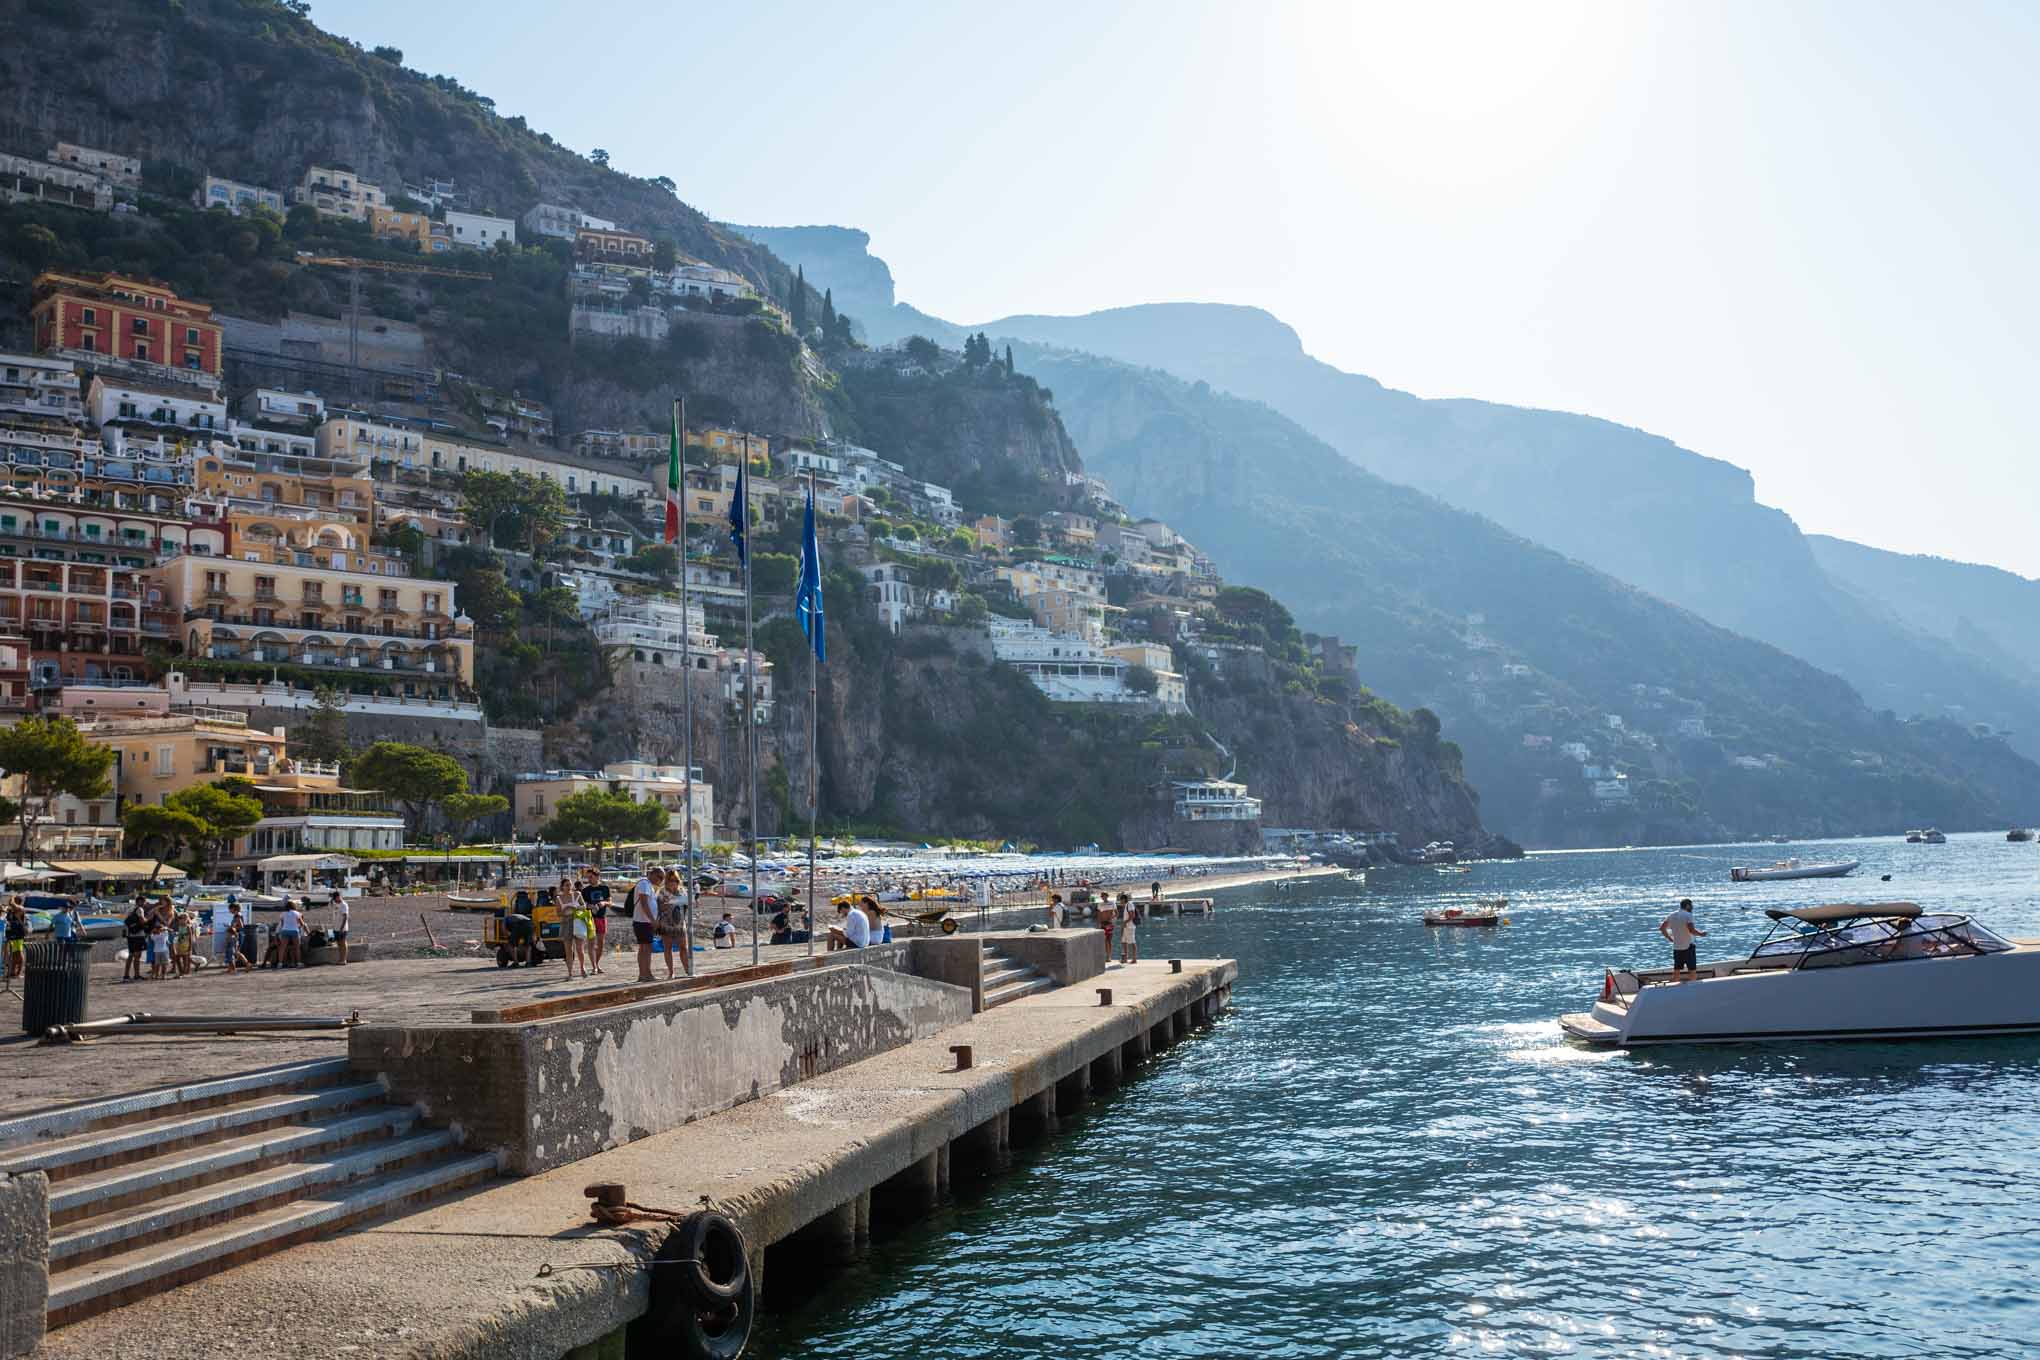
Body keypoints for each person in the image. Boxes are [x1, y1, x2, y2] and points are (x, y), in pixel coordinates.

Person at [1659, 898, 1705, 981]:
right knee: (1692, 970)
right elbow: (1691, 930)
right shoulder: (1688, 915)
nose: (1692, 907)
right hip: (1688, 946)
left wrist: (1669, 938)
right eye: (1691, 906)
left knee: (1677, 971)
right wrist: (1701, 934)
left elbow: (1662, 928)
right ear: (1687, 906)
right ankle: (1693, 989)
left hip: (1677, 947)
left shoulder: (1672, 915)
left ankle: (1674, 989)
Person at [657, 872, 689, 978]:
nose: (673, 882)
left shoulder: (682, 891)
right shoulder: (662, 892)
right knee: (668, 947)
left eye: (675, 880)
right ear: (666, 881)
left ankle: (688, 970)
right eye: (670, 880)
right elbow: (659, 908)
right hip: (667, 923)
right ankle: (671, 972)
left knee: (683, 947)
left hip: (680, 923)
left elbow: (687, 906)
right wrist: (667, 905)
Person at [630, 868, 658, 982]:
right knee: (645, 948)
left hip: (643, 921)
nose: (660, 880)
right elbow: (644, 903)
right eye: (659, 876)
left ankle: (645, 973)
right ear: (652, 874)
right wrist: (652, 920)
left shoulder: (647, 884)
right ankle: (644, 974)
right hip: (643, 921)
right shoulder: (644, 884)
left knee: (645, 947)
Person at [561, 876, 592, 979]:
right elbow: (558, 913)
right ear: (562, 887)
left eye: (570, 884)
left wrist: (575, 907)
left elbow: (584, 906)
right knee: (568, 950)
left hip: (577, 921)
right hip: (566, 923)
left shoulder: (577, 894)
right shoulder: (559, 898)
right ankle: (570, 973)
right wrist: (565, 911)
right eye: (567, 885)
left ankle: (583, 968)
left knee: (579, 948)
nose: (569, 887)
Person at [581, 868, 610, 970]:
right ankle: (594, 966)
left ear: (597, 876)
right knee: (591, 942)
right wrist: (589, 905)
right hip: (590, 918)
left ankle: (596, 963)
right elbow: (582, 904)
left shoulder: (605, 888)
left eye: (591, 877)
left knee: (601, 943)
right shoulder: (585, 890)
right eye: (587, 877)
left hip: (602, 917)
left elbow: (610, 902)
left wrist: (604, 903)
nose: (588, 879)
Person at [222, 902, 251, 974]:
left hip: (237, 935)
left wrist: (232, 927)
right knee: (235, 952)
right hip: (238, 934)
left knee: (235, 952)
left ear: (233, 908)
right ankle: (231, 968)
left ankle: (247, 964)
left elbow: (241, 926)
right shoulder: (237, 915)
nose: (229, 911)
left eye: (230, 909)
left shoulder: (237, 916)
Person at [122, 901, 147, 982]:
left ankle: (126, 975)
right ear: (143, 902)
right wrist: (149, 919)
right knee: (137, 956)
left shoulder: (131, 909)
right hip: (138, 935)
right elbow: (142, 921)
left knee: (131, 955)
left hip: (130, 935)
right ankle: (136, 975)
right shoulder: (140, 909)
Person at [276, 901, 305, 968]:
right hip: (294, 931)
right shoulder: (297, 913)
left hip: (285, 931)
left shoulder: (283, 914)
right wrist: (298, 926)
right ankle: (298, 963)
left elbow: (282, 924)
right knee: (297, 948)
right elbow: (302, 924)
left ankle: (280, 963)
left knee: (282, 948)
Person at [4, 898, 28, 979]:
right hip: (12, 934)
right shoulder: (11, 911)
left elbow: (17, 908)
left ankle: (18, 973)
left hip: (19, 934)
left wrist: (12, 901)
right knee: (13, 953)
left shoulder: (21, 909)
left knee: (19, 952)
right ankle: (12, 971)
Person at [1120, 893, 1140, 964]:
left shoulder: (1129, 904)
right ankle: (1125, 958)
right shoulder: (1126, 905)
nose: (1120, 901)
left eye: (1120, 900)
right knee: (1124, 942)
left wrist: (1125, 922)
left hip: (1130, 926)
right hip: (1126, 927)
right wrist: (1124, 924)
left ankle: (1134, 959)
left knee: (1132, 942)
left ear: (1123, 899)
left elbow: (1132, 915)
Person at [333, 894, 350, 966]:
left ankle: (344, 959)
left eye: (336, 898)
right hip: (336, 927)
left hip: (342, 928)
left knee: (343, 943)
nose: (335, 899)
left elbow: (345, 917)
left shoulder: (344, 905)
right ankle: (340, 959)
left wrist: (342, 928)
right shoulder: (335, 904)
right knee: (339, 943)